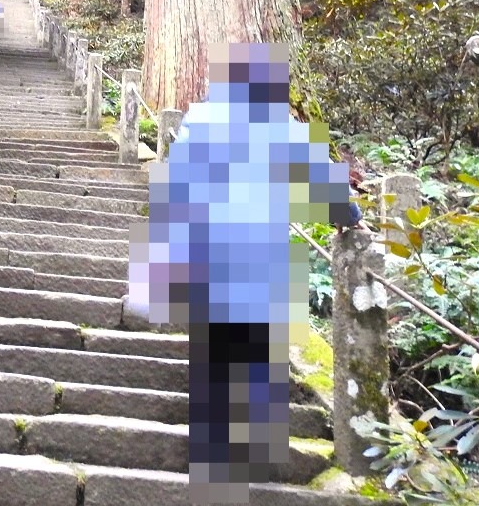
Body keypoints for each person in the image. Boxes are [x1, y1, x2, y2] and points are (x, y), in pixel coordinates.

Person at [128, 42, 354, 505]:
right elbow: (321, 182)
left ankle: (215, 461)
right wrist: (348, 215)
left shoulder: (197, 121)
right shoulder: (281, 127)